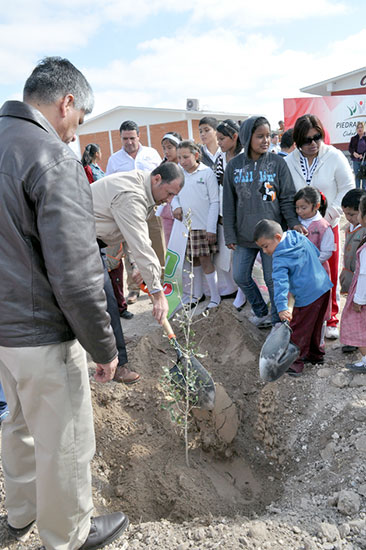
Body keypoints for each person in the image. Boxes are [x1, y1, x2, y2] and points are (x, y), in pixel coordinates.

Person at [0, 57, 128, 550]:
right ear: (66, 102)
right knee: (65, 439)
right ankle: (68, 534)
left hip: (5, 333)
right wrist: (104, 348)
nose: (76, 134)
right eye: (78, 120)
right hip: (41, 333)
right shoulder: (52, 158)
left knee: (18, 424)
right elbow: (77, 277)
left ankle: (20, 513)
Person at [223, 116, 304, 329]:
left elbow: (287, 197)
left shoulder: (278, 163)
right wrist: (229, 234)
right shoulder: (233, 167)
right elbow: (229, 203)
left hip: (273, 236)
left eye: (269, 136)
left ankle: (277, 320)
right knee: (240, 276)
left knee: (273, 279)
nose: (266, 140)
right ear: (247, 137)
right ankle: (261, 311)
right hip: (244, 235)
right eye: (260, 136)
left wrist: (293, 223)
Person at [285, 114, 355, 340]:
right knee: (302, 275)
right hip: (299, 231)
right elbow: (285, 194)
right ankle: (306, 318)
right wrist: (293, 223)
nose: (313, 143)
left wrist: (329, 216)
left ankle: (331, 318)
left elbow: (347, 187)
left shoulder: (334, 156)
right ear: (297, 140)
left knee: (329, 275)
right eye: (307, 140)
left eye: (317, 137)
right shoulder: (288, 161)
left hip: (327, 227)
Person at [91, 162, 184, 323]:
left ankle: (115, 344)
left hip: (94, 241)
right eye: (169, 193)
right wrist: (158, 294)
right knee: (100, 304)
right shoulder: (132, 196)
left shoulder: (146, 187)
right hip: (79, 243)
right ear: (157, 179)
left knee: (108, 304)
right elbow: (141, 244)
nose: (169, 201)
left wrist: (135, 264)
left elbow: (129, 233)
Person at [254, 219, 332, 376]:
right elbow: (316, 253)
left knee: (298, 329)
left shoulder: (280, 258)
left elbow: (280, 285)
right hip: (323, 287)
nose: (265, 251)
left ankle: (295, 363)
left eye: (265, 246)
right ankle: (315, 355)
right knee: (316, 324)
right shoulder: (297, 237)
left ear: (277, 237)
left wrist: (282, 308)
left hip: (307, 296)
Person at [106, 120, 164, 305]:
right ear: (120, 138)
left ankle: (161, 284)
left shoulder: (151, 154)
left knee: (157, 245)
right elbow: (110, 186)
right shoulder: (114, 160)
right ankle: (134, 288)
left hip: (151, 208)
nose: (129, 142)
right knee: (131, 250)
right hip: (128, 212)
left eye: (132, 138)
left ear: (139, 136)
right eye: (125, 139)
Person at [172, 140, 221, 309]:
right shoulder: (179, 174)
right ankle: (197, 295)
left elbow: (215, 201)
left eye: (185, 157)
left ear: (196, 155)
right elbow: (174, 195)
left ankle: (215, 296)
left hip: (203, 226)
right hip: (187, 227)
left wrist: (211, 228)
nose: (182, 161)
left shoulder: (207, 173)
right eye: (179, 157)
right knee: (194, 262)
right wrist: (175, 206)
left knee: (206, 261)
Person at [214, 119, 246, 309]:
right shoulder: (219, 158)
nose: (219, 142)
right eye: (217, 139)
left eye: (222, 138)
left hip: (241, 214)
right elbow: (218, 186)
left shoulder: (245, 157)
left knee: (241, 257)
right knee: (225, 254)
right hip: (222, 213)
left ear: (234, 136)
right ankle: (231, 288)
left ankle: (243, 292)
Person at [340, 194, 366, 372]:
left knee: (358, 323)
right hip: (354, 281)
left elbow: (364, 274)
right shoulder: (351, 228)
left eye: (357, 214)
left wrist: (359, 299)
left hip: (361, 293)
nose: (351, 218)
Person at [157, 131, 182, 244]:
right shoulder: (162, 169)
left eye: (170, 147)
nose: (166, 151)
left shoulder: (186, 166)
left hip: (186, 212)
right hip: (167, 213)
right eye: (164, 148)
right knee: (171, 246)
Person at [348, 121, 366, 189]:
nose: (360, 129)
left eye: (361, 127)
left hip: (364, 160)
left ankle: (364, 193)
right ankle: (357, 191)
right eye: (358, 127)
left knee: (364, 177)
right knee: (357, 177)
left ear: (364, 128)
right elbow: (350, 148)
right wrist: (354, 153)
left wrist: (363, 155)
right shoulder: (353, 138)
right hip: (355, 160)